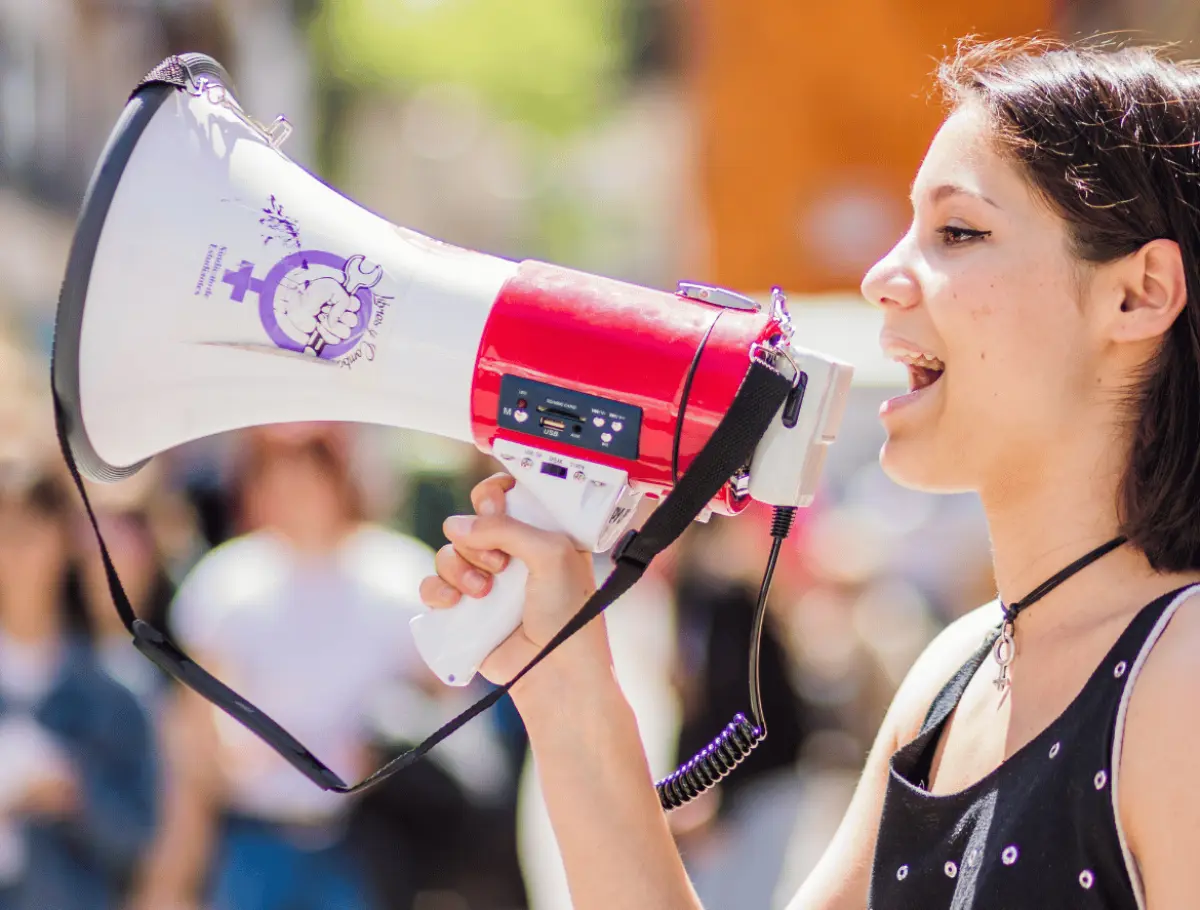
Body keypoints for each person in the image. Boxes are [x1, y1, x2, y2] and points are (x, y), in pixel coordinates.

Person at [419, 36, 1200, 908]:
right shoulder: (956, 674)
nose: (882, 277)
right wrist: (563, 680)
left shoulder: (1183, 675)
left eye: (958, 231)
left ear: (1138, 294)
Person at [137, 423, 436, 910]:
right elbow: (194, 731)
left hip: (365, 839)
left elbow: (449, 713)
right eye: (274, 475)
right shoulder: (225, 585)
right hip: (255, 838)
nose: (291, 493)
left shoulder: (400, 579)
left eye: (307, 473)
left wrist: (384, 746)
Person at [0, 453, 157, 910]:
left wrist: (75, 794)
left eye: (29, 533)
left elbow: (137, 837)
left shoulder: (112, 695)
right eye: (3, 536)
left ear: (64, 541)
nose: (14, 553)